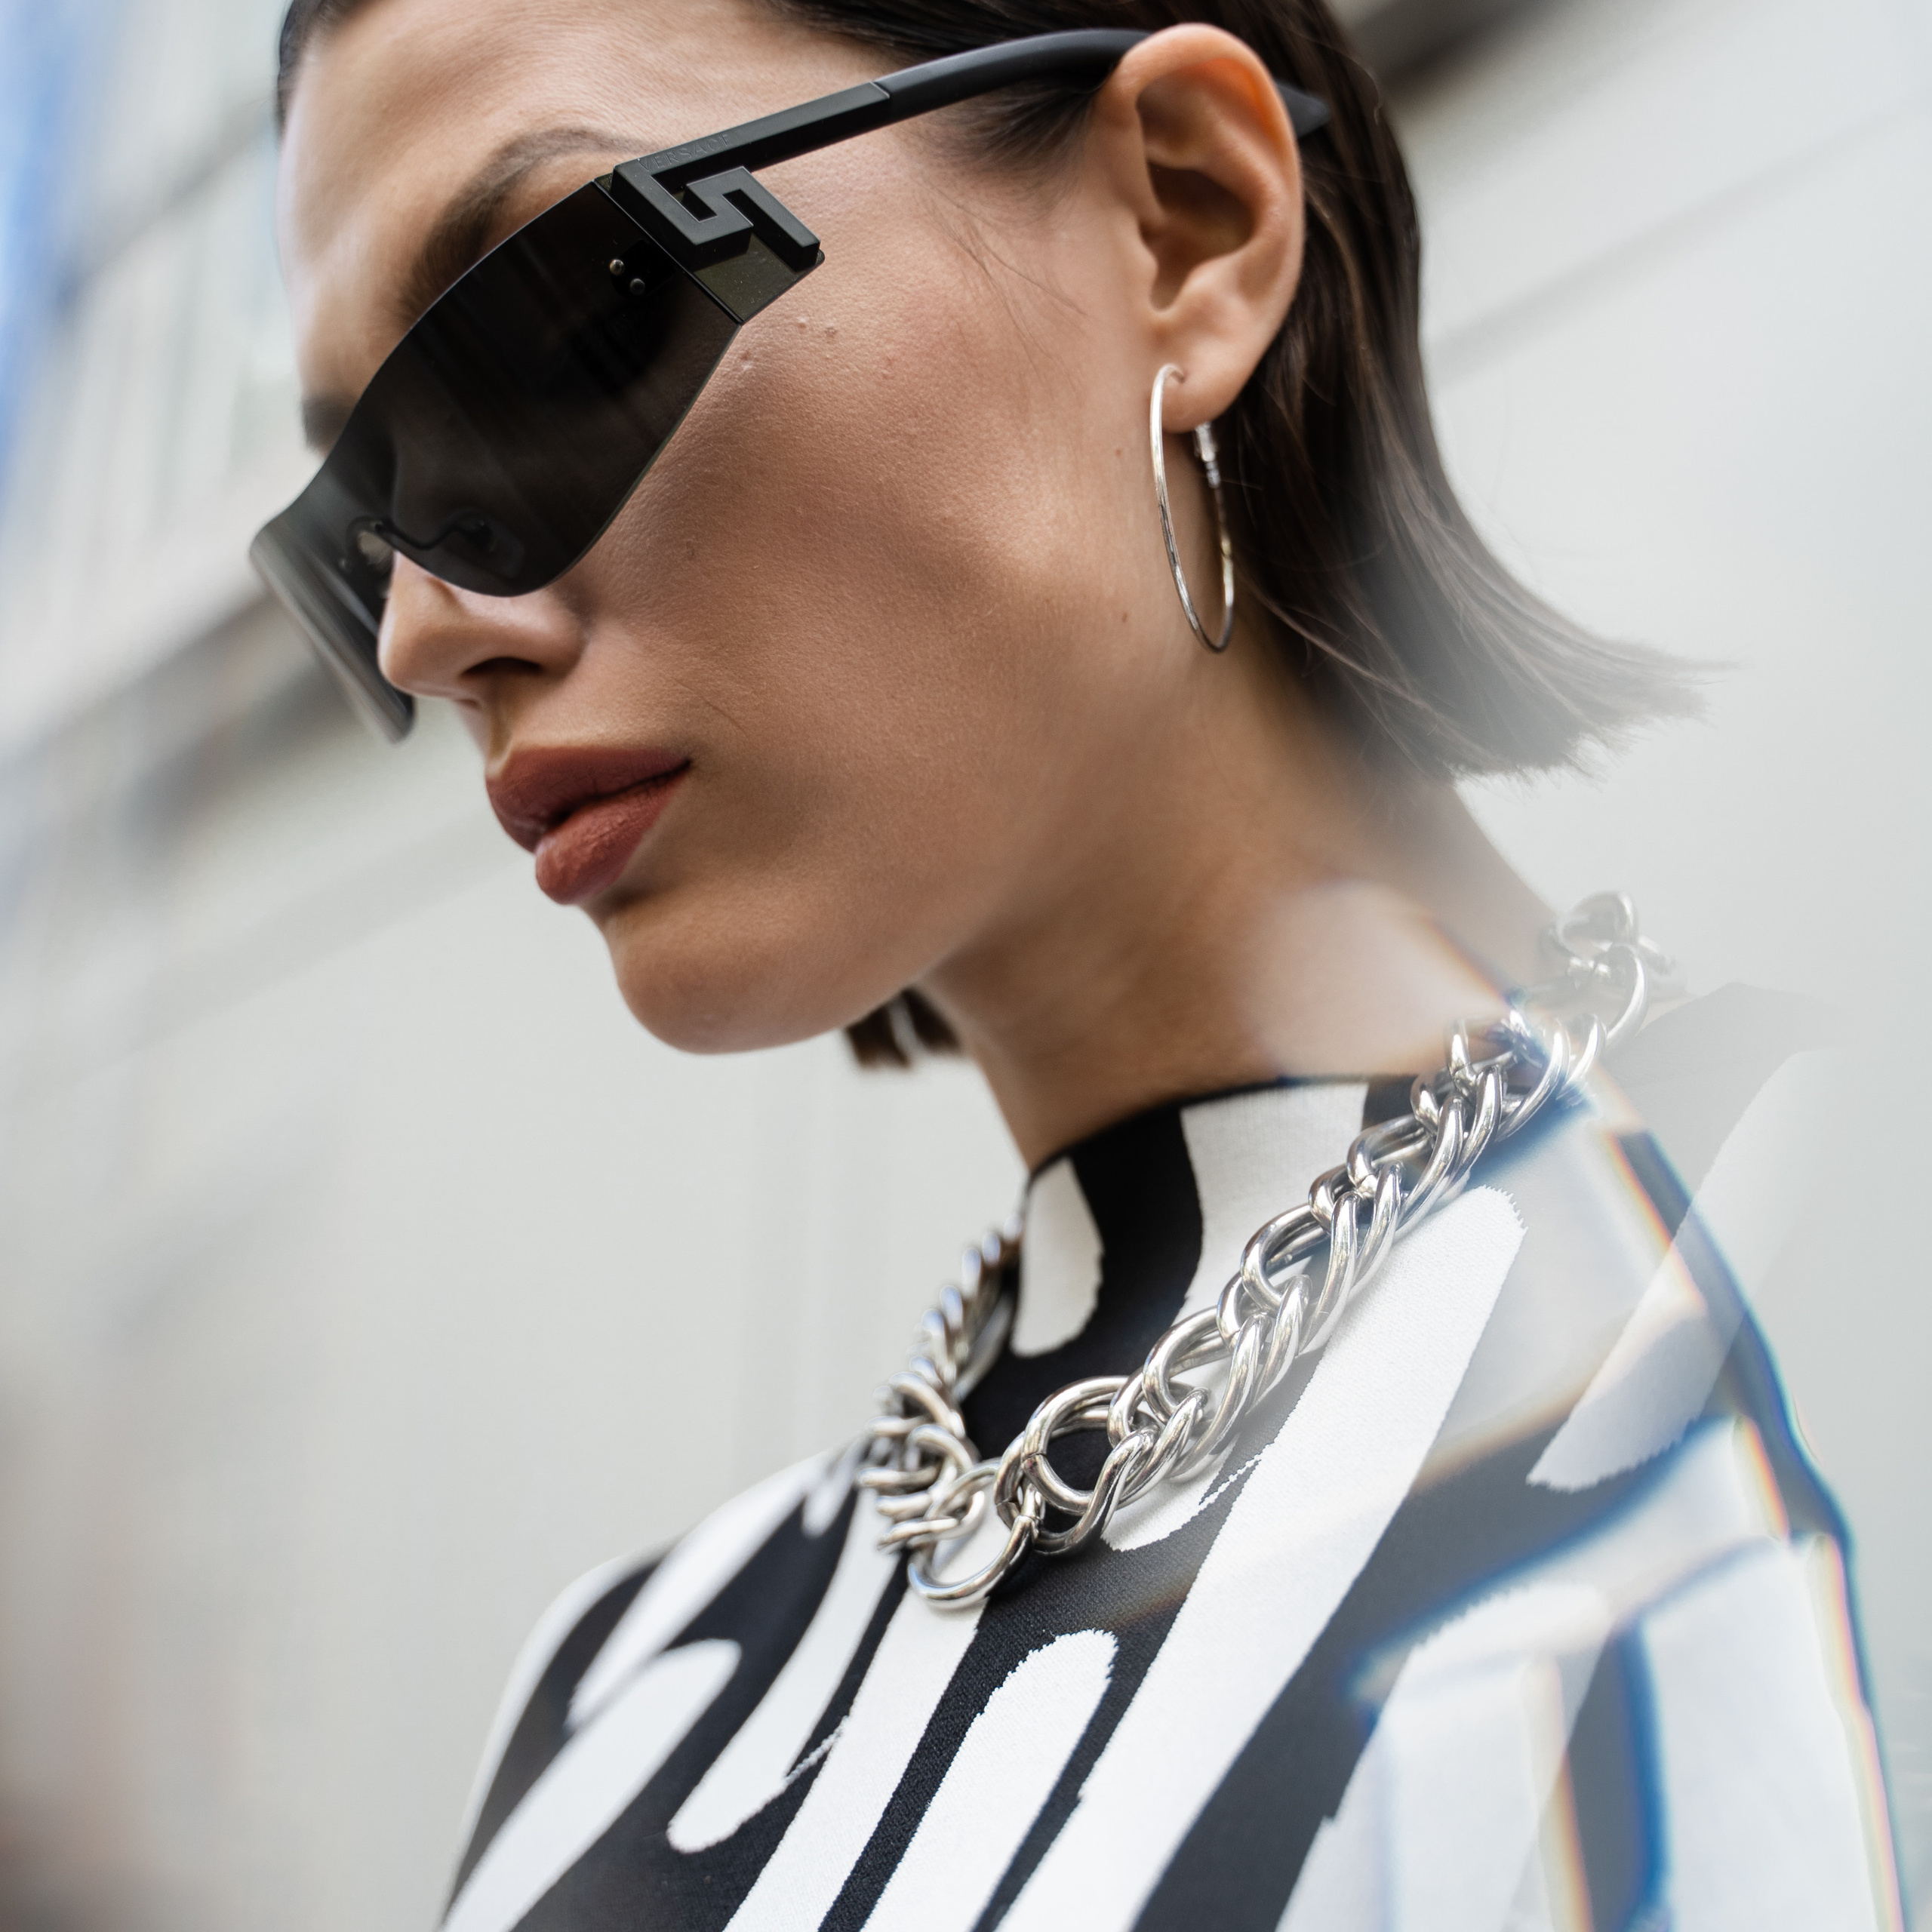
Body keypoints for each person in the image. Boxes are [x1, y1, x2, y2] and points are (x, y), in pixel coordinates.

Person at [264, 0, 1903, 1925]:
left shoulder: (1837, 1283)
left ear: (1185, 230)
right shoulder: (621, 1691)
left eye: (553, 334)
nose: (421, 631)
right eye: (357, 521)